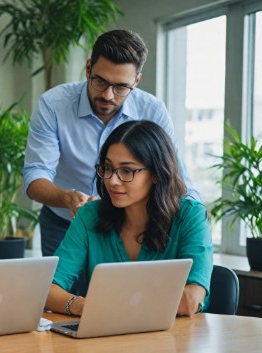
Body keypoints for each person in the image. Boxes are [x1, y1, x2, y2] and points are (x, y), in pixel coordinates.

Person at [22, 29, 200, 258]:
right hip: (64, 223)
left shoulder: (152, 110)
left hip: (130, 226)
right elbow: (35, 175)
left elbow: (176, 176)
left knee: (119, 293)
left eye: (121, 87)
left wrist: (196, 219)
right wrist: (68, 198)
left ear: (136, 81)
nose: (108, 95)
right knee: (61, 292)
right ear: (88, 68)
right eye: (100, 81)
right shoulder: (53, 105)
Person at [44, 120, 213, 317]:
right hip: (106, 337)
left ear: (157, 174)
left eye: (126, 170)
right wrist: (81, 305)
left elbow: (190, 301)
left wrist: (107, 305)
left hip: (175, 340)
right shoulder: (89, 215)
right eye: (108, 168)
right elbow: (47, 290)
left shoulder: (191, 216)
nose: (112, 181)